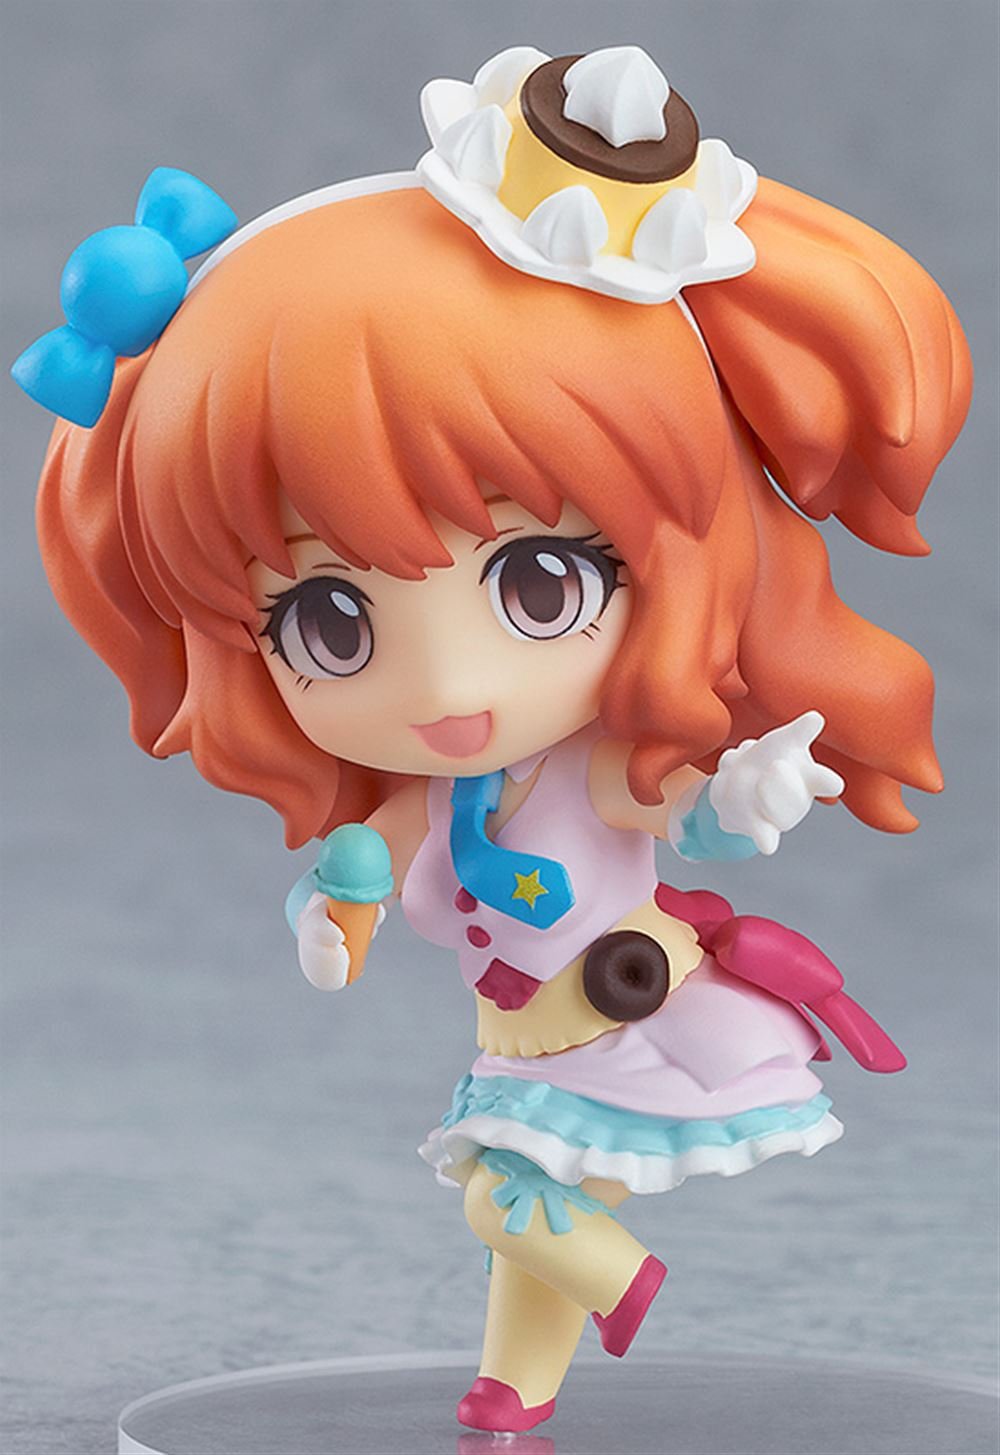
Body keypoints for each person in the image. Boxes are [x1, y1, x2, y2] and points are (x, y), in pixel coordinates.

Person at [13, 43, 971, 1435]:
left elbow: (677, 807)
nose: (448, 681)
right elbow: (354, 895)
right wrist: (330, 918)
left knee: (506, 1195)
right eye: (330, 619)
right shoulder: (424, 798)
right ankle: (514, 1385)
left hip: (627, 1005)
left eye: (538, 584)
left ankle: (618, 1283)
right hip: (521, 1039)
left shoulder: (593, 761)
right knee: (519, 1192)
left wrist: (749, 786)